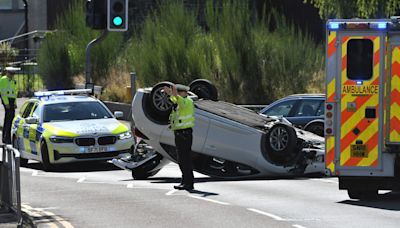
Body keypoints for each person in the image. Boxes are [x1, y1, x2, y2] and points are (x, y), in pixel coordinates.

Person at [163, 84, 195, 191]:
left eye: (179, 92)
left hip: (184, 134)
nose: (177, 95)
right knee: (181, 159)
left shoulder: (188, 102)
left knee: (185, 159)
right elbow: (174, 100)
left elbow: (179, 101)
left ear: (184, 93)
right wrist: (169, 93)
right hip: (179, 133)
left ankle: (188, 182)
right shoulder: (180, 101)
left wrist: (175, 94)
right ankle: (185, 181)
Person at [0, 67, 18, 144]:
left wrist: (15, 103)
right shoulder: (3, 80)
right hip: (6, 100)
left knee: (11, 118)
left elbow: (14, 92)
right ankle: (6, 138)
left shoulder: (13, 81)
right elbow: (3, 92)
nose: (12, 75)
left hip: (12, 101)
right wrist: (6, 103)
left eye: (13, 74)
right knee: (9, 118)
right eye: (10, 73)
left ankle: (7, 137)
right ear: (7, 73)